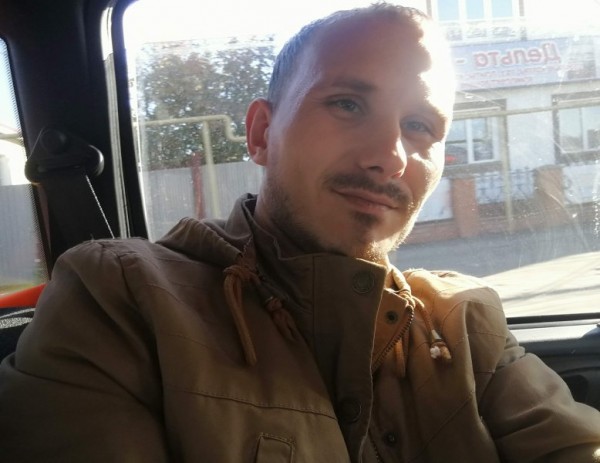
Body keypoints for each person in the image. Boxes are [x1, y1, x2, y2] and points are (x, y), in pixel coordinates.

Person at [1, 3, 599, 462]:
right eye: (347, 104)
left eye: (419, 125)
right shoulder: (120, 299)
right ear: (261, 133)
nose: (390, 157)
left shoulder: (465, 322)